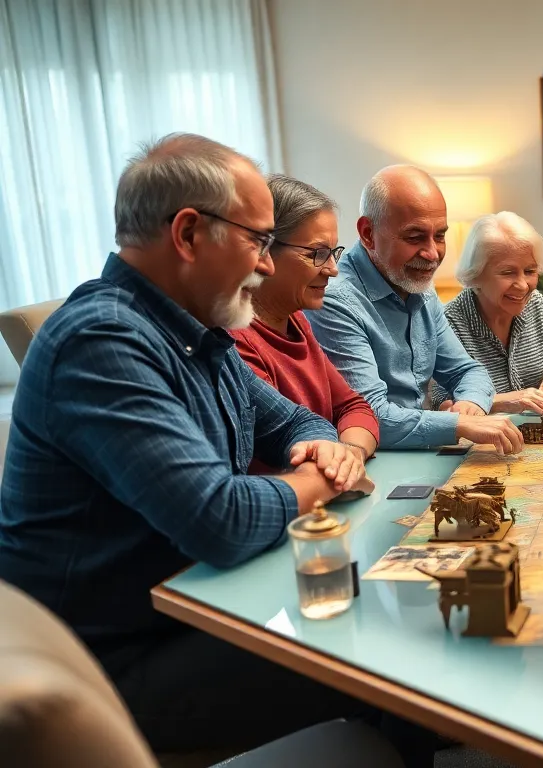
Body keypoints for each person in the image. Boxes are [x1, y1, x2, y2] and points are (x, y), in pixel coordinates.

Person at [0, 134, 395, 757]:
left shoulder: (197, 331)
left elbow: (299, 422)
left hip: (194, 606)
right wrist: (327, 477)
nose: (268, 264)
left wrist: (326, 446)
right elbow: (223, 520)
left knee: (382, 597)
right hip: (119, 665)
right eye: (259, 241)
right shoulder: (101, 342)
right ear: (188, 234)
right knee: (383, 636)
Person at [307, 165, 521, 453]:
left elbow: (467, 371)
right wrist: (458, 425)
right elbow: (369, 417)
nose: (433, 254)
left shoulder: (418, 285)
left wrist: (470, 405)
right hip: (369, 459)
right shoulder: (335, 300)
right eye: (415, 237)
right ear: (368, 233)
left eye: (440, 236)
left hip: (419, 451)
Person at [231, 175, 379, 470]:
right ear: (265, 250)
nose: (333, 270)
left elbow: (354, 406)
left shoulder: (296, 319)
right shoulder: (236, 338)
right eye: (318, 254)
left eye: (334, 253)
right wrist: (339, 461)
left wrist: (350, 454)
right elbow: (282, 449)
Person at [444, 212, 543, 417]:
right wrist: (503, 401)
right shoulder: (449, 321)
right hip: (480, 443)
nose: (523, 285)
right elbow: (441, 404)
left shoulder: (536, 305)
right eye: (507, 272)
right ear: (476, 274)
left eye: (530, 271)